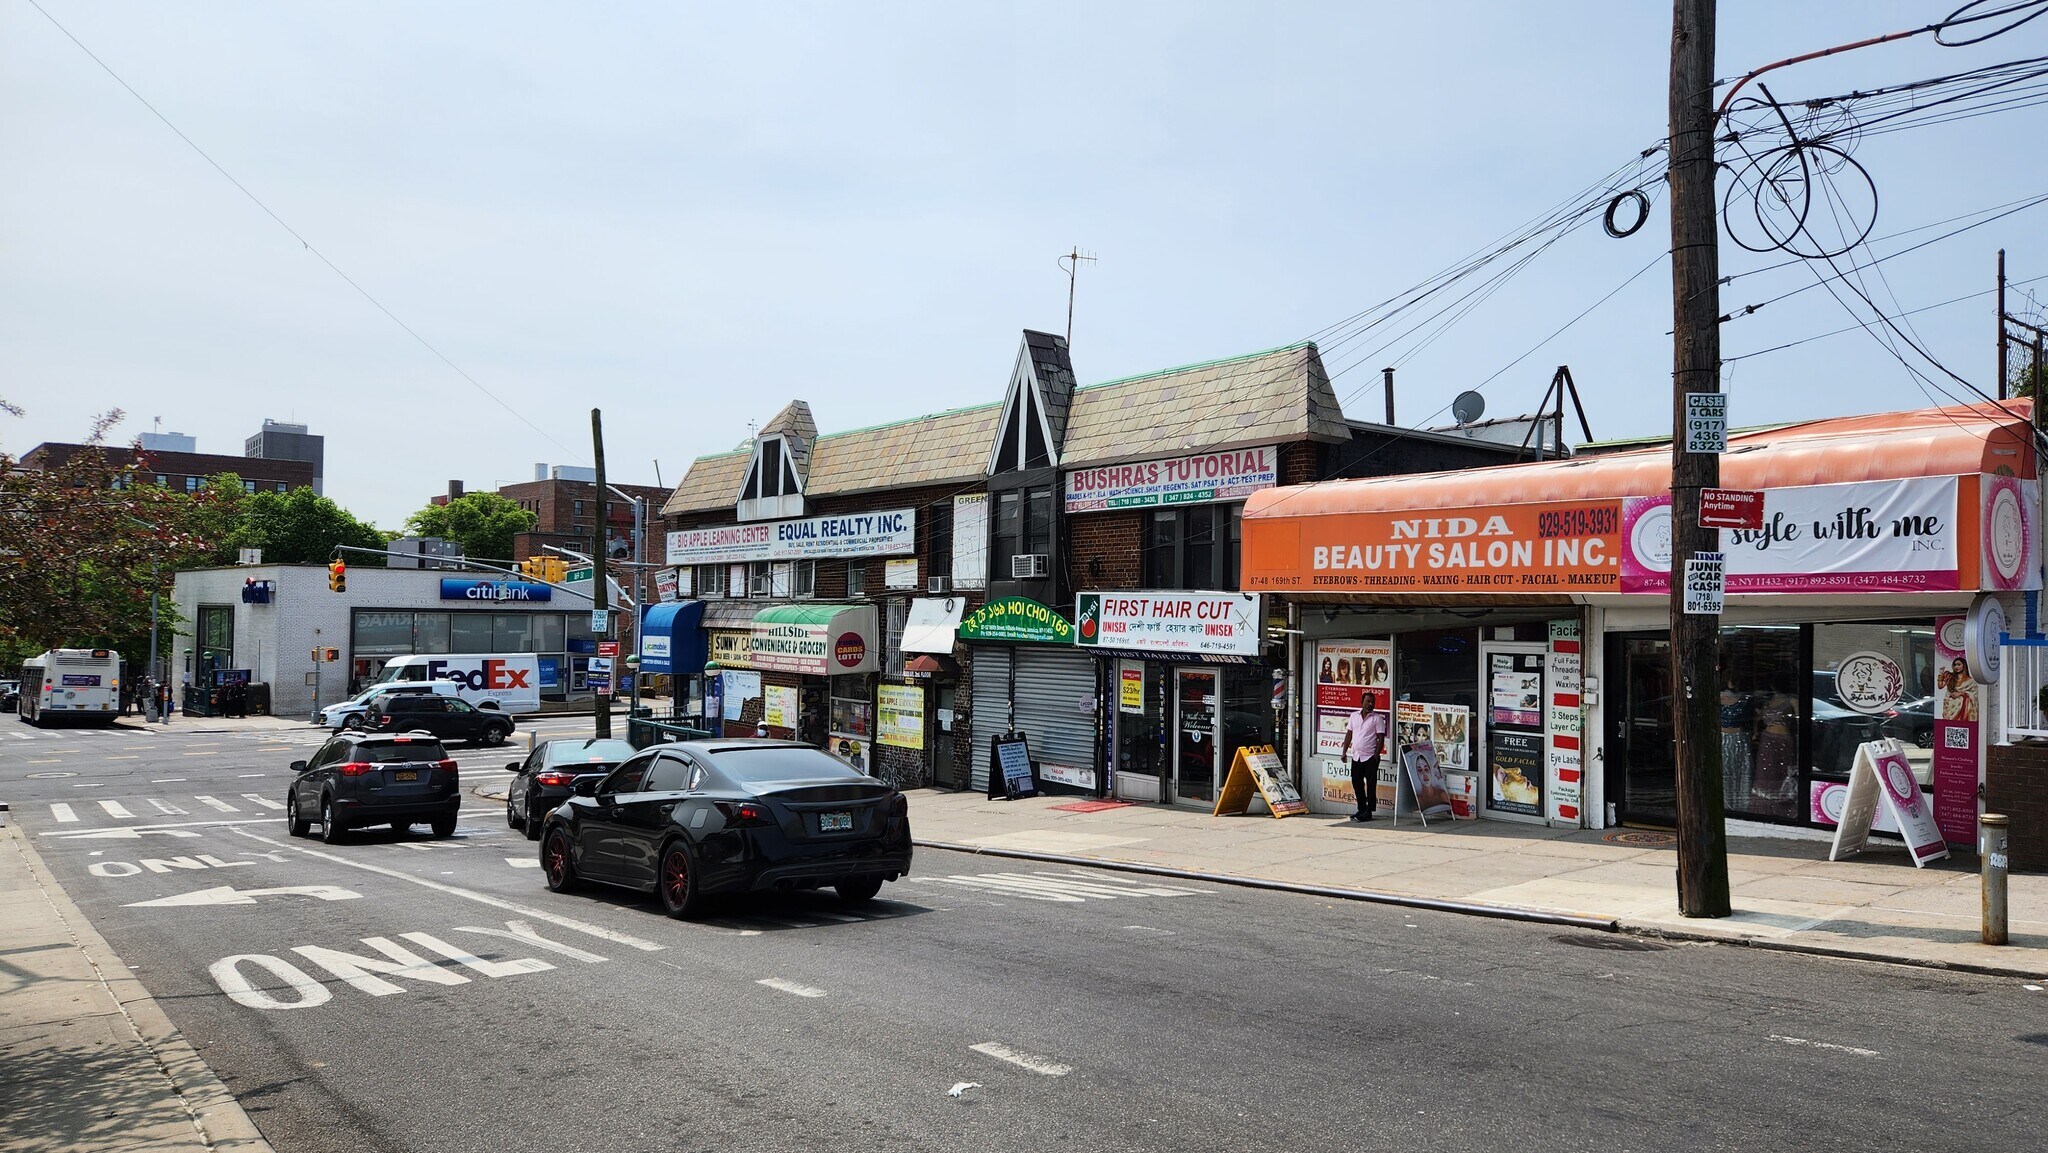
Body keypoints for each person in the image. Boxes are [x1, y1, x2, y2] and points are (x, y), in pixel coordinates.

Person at [1343, 701, 1389, 822]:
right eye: (1367, 701)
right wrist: (1344, 752)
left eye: (1372, 702)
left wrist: (1376, 755)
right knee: (1356, 782)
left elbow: (1381, 738)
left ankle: (1369, 811)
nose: (1370, 704)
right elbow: (1349, 734)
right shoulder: (1354, 716)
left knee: (1371, 784)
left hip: (1370, 757)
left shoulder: (1377, 719)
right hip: (1356, 756)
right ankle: (1362, 808)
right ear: (1362, 702)